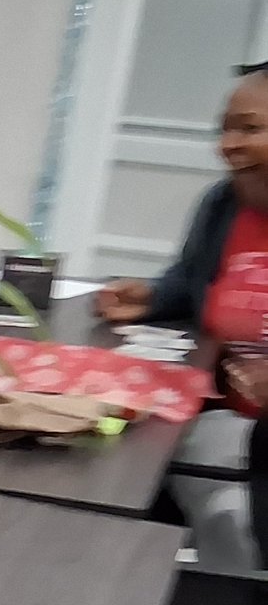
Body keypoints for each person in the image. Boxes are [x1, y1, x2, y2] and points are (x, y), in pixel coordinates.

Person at [96, 64, 268, 557]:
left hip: (251, 438)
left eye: (249, 128)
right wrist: (150, 298)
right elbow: (191, 279)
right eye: (224, 128)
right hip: (220, 417)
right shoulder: (223, 204)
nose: (226, 146)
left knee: (231, 514)